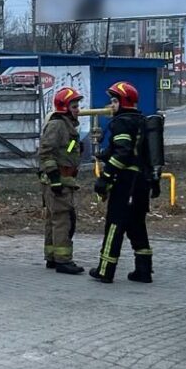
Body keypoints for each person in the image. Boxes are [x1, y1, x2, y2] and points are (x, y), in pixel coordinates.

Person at [91, 81, 158, 284]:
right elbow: (138, 152)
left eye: (114, 101)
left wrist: (105, 178)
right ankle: (143, 270)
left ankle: (105, 270)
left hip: (126, 182)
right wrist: (102, 154)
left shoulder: (122, 122)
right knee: (137, 224)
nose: (111, 105)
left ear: (123, 102)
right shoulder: (141, 121)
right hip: (142, 182)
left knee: (115, 224)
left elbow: (123, 153)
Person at [37, 87, 85, 275]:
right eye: (74, 106)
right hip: (58, 180)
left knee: (54, 219)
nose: (78, 110)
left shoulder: (66, 126)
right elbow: (46, 152)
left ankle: (52, 257)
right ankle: (63, 260)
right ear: (64, 108)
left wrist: (76, 147)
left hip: (63, 179)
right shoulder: (58, 125)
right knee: (63, 220)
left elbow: (64, 149)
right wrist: (55, 179)